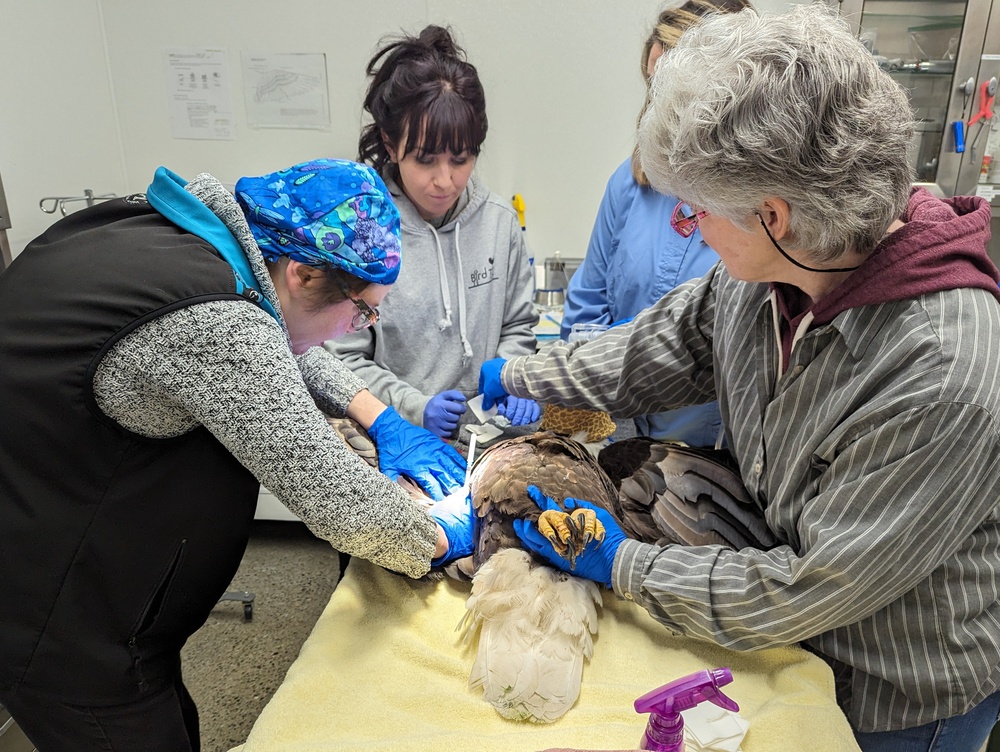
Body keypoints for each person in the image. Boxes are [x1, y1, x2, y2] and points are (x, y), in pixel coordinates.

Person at [479, 6, 1000, 751]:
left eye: (697, 213)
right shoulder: (778, 272)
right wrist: (525, 375)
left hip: (899, 685)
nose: (687, 227)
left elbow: (812, 586)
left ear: (774, 215)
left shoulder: (940, 375)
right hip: (796, 630)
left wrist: (622, 564)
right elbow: (659, 346)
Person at [0, 158, 475, 752]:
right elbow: (339, 501)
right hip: (58, 616)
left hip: (63, 543)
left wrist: (374, 415)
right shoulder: (213, 322)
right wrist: (441, 532)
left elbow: (279, 335)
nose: (357, 326)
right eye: (361, 312)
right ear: (302, 273)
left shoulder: (201, 237)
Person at [325, 24, 540, 442]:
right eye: (425, 160)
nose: (445, 180)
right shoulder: (363, 230)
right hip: (393, 439)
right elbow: (343, 360)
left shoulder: (498, 223)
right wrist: (413, 407)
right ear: (390, 144)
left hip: (488, 443)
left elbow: (518, 328)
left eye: (460, 159)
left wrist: (516, 379)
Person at [560, 0, 749, 447]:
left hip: (714, 453)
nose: (657, 110)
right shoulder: (629, 184)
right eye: (652, 89)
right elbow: (585, 308)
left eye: (673, 94)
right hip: (621, 440)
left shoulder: (748, 209)